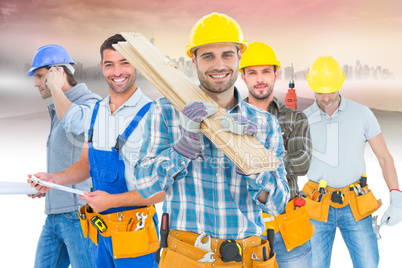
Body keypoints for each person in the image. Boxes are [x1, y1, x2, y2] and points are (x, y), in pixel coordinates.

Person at [134, 12, 289, 267]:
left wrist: (251, 162)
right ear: (193, 59)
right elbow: (145, 185)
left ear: (240, 57)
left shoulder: (263, 124)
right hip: (186, 254)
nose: (219, 65)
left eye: (227, 54)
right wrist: (181, 151)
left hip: (247, 257)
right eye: (208, 56)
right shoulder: (165, 111)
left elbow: (277, 204)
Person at [29, 34, 164, 268]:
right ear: (102, 66)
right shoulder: (97, 111)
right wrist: (53, 179)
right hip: (99, 232)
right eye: (110, 64)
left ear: (137, 65)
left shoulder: (154, 116)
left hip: (136, 236)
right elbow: (85, 165)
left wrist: (112, 201)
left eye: (125, 62)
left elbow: (161, 191)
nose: (117, 71)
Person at [302, 56, 402, 268]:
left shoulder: (362, 114)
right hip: (317, 203)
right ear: (311, 85)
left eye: (331, 90)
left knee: (368, 263)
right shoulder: (302, 120)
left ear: (341, 83)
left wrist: (397, 197)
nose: (326, 97)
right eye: (320, 91)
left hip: (355, 202)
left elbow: (385, 158)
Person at [26, 44, 101, 267]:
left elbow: (77, 125)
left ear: (58, 72)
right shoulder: (60, 107)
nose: (36, 83)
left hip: (79, 215)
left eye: (40, 76)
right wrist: (48, 184)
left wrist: (56, 88)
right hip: (55, 214)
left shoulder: (90, 104)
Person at [240, 41, 313, 267]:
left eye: (265, 72)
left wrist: (253, 160)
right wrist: (277, 159)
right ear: (243, 77)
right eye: (252, 72)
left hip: (287, 227)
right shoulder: (230, 121)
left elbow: (302, 163)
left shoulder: (295, 118)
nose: (259, 79)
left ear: (275, 75)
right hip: (245, 229)